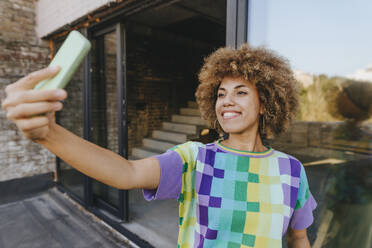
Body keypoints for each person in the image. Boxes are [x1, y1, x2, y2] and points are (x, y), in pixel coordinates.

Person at [1, 44, 317, 248]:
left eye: (241, 92)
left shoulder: (291, 170)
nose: (227, 101)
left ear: (266, 103)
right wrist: (49, 135)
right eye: (221, 93)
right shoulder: (196, 159)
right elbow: (125, 173)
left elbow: (298, 237)